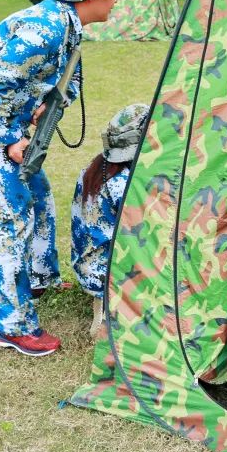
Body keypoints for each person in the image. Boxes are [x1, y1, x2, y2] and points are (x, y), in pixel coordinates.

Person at [0, 0, 130, 357]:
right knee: (14, 220)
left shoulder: (66, 24)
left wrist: (49, 104)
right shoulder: (45, 29)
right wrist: (11, 138)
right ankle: (12, 326)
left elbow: (66, 77)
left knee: (39, 197)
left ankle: (40, 277)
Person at [71, 103, 148, 337]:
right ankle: (108, 310)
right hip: (109, 276)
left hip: (86, 267)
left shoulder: (94, 168)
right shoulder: (123, 183)